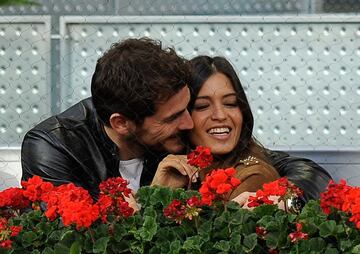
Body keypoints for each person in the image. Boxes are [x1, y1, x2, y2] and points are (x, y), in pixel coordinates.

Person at [21, 37, 194, 198]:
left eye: (187, 107)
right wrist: (154, 198)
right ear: (121, 123)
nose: (189, 123)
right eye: (172, 118)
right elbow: (72, 228)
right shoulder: (55, 146)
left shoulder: (181, 133)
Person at [152, 56, 332, 205]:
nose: (220, 115)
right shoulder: (169, 164)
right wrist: (156, 193)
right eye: (202, 106)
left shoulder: (253, 175)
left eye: (231, 103)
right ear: (184, 117)